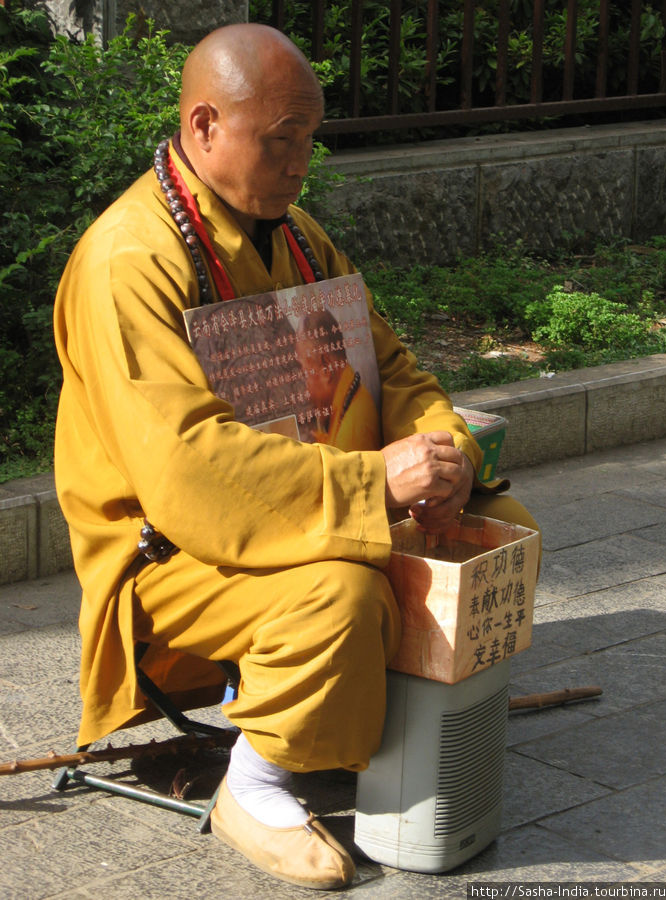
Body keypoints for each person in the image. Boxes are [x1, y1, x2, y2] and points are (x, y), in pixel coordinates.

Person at [53, 23, 540, 891]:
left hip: (311, 499)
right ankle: (257, 783)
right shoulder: (128, 261)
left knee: (497, 526)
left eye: (309, 141)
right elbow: (187, 469)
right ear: (204, 126)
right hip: (175, 554)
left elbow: (389, 367)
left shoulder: (298, 233)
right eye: (282, 142)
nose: (300, 164)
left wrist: (446, 450)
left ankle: (359, 720)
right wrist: (373, 484)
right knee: (339, 593)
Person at [295, 308, 381, 449]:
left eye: (305, 374)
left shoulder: (353, 432)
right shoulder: (350, 398)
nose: (304, 390)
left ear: (326, 369)